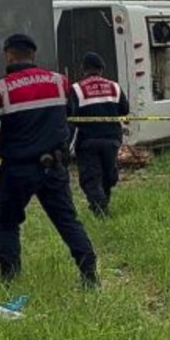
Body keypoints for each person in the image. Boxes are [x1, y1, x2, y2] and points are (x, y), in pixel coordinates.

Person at [0, 33, 99, 287]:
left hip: (16, 169)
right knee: (67, 221)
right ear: (34, 55)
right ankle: (89, 274)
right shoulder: (60, 82)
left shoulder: (0, 87)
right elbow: (70, 113)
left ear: (8, 54)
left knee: (7, 223)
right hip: (53, 165)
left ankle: (10, 279)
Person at [68, 51, 130, 217]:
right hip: (112, 140)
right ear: (101, 69)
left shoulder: (76, 89)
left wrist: (66, 145)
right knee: (108, 175)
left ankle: (100, 208)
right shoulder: (114, 87)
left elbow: (70, 116)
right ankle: (102, 205)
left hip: (88, 141)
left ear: (84, 70)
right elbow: (125, 110)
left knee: (91, 178)